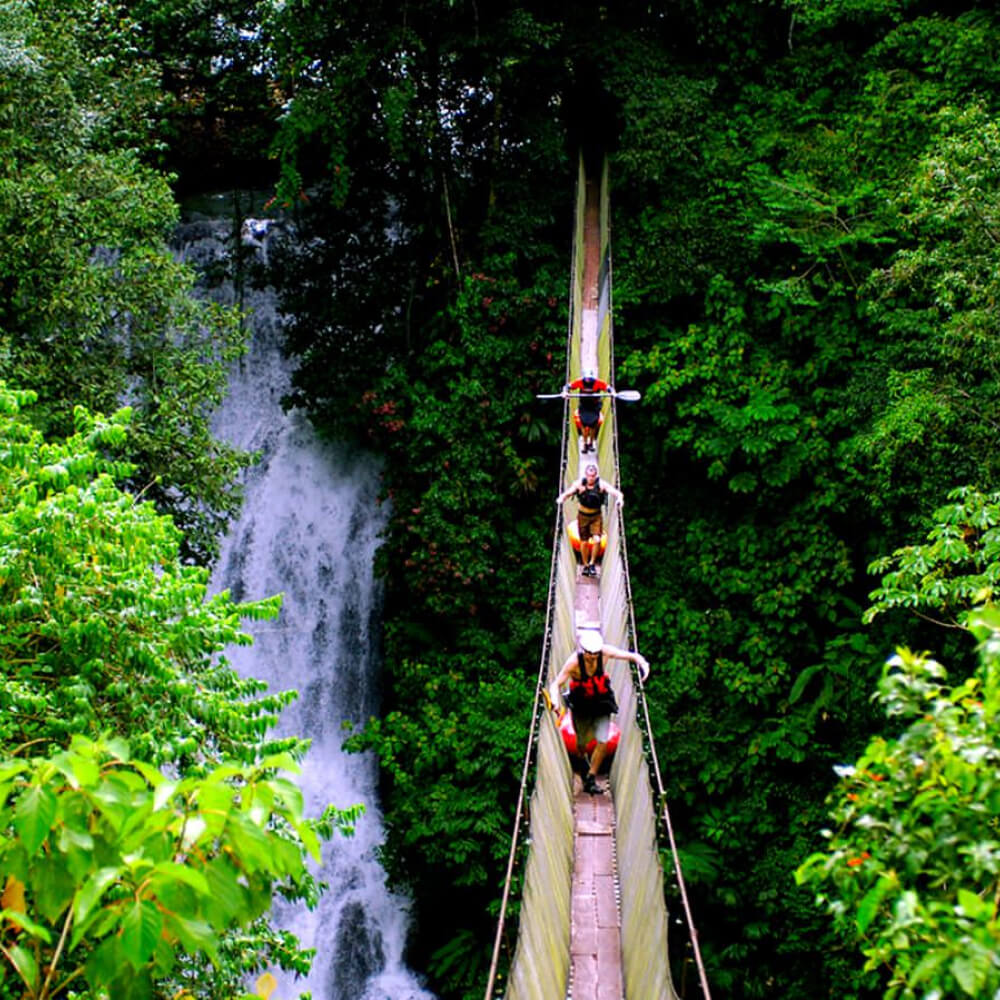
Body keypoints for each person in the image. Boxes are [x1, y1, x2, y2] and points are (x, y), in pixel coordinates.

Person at [549, 631, 650, 795]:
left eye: (596, 654)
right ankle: (583, 766)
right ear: (583, 651)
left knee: (603, 739)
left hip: (601, 704)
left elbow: (630, 656)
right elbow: (556, 684)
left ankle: (590, 777)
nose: (593, 658)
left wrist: (643, 665)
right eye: (590, 654)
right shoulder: (573, 663)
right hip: (581, 706)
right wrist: (555, 700)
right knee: (581, 744)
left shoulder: (604, 653)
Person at [555, 463, 623, 577]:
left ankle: (592, 564)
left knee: (597, 539)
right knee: (584, 541)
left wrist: (620, 499)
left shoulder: (601, 485)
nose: (590, 478)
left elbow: (615, 492)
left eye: (593, 476)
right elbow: (568, 493)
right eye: (589, 476)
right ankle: (585, 565)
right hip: (582, 516)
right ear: (586, 475)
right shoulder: (579, 484)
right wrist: (561, 498)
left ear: (596, 475)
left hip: (596, 516)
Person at [565, 370, 611, 453]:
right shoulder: (580, 382)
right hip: (584, 407)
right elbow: (568, 386)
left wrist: (612, 392)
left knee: (593, 425)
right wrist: (565, 392)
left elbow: (607, 387)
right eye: (587, 379)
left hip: (594, 407)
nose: (588, 380)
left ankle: (591, 443)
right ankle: (585, 444)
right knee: (584, 425)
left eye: (590, 379)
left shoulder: (597, 383)